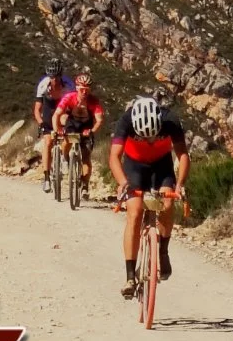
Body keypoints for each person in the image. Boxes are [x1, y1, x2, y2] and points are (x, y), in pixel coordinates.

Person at [109, 93, 189, 297]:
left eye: (153, 135)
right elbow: (114, 157)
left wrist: (179, 185)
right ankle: (129, 276)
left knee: (168, 205)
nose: (149, 140)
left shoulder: (170, 120)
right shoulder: (126, 121)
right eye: (144, 136)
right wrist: (123, 183)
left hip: (162, 167)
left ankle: (163, 251)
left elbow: (182, 155)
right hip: (134, 166)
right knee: (134, 213)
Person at [51, 72, 105, 195]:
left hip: (87, 127)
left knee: (86, 157)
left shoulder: (93, 101)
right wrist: (57, 129)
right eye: (81, 89)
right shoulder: (69, 97)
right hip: (72, 124)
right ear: (76, 88)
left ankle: (85, 186)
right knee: (66, 138)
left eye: (87, 89)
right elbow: (56, 115)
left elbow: (99, 120)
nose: (84, 92)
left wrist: (92, 131)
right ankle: (65, 159)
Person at [35, 63, 73, 192]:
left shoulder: (68, 85)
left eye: (57, 77)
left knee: (67, 129)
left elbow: (73, 104)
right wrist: (40, 122)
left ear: (61, 76)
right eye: (52, 77)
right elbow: (37, 109)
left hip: (63, 107)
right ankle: (46, 178)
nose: (54, 80)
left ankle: (64, 156)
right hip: (49, 108)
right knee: (48, 142)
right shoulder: (43, 85)